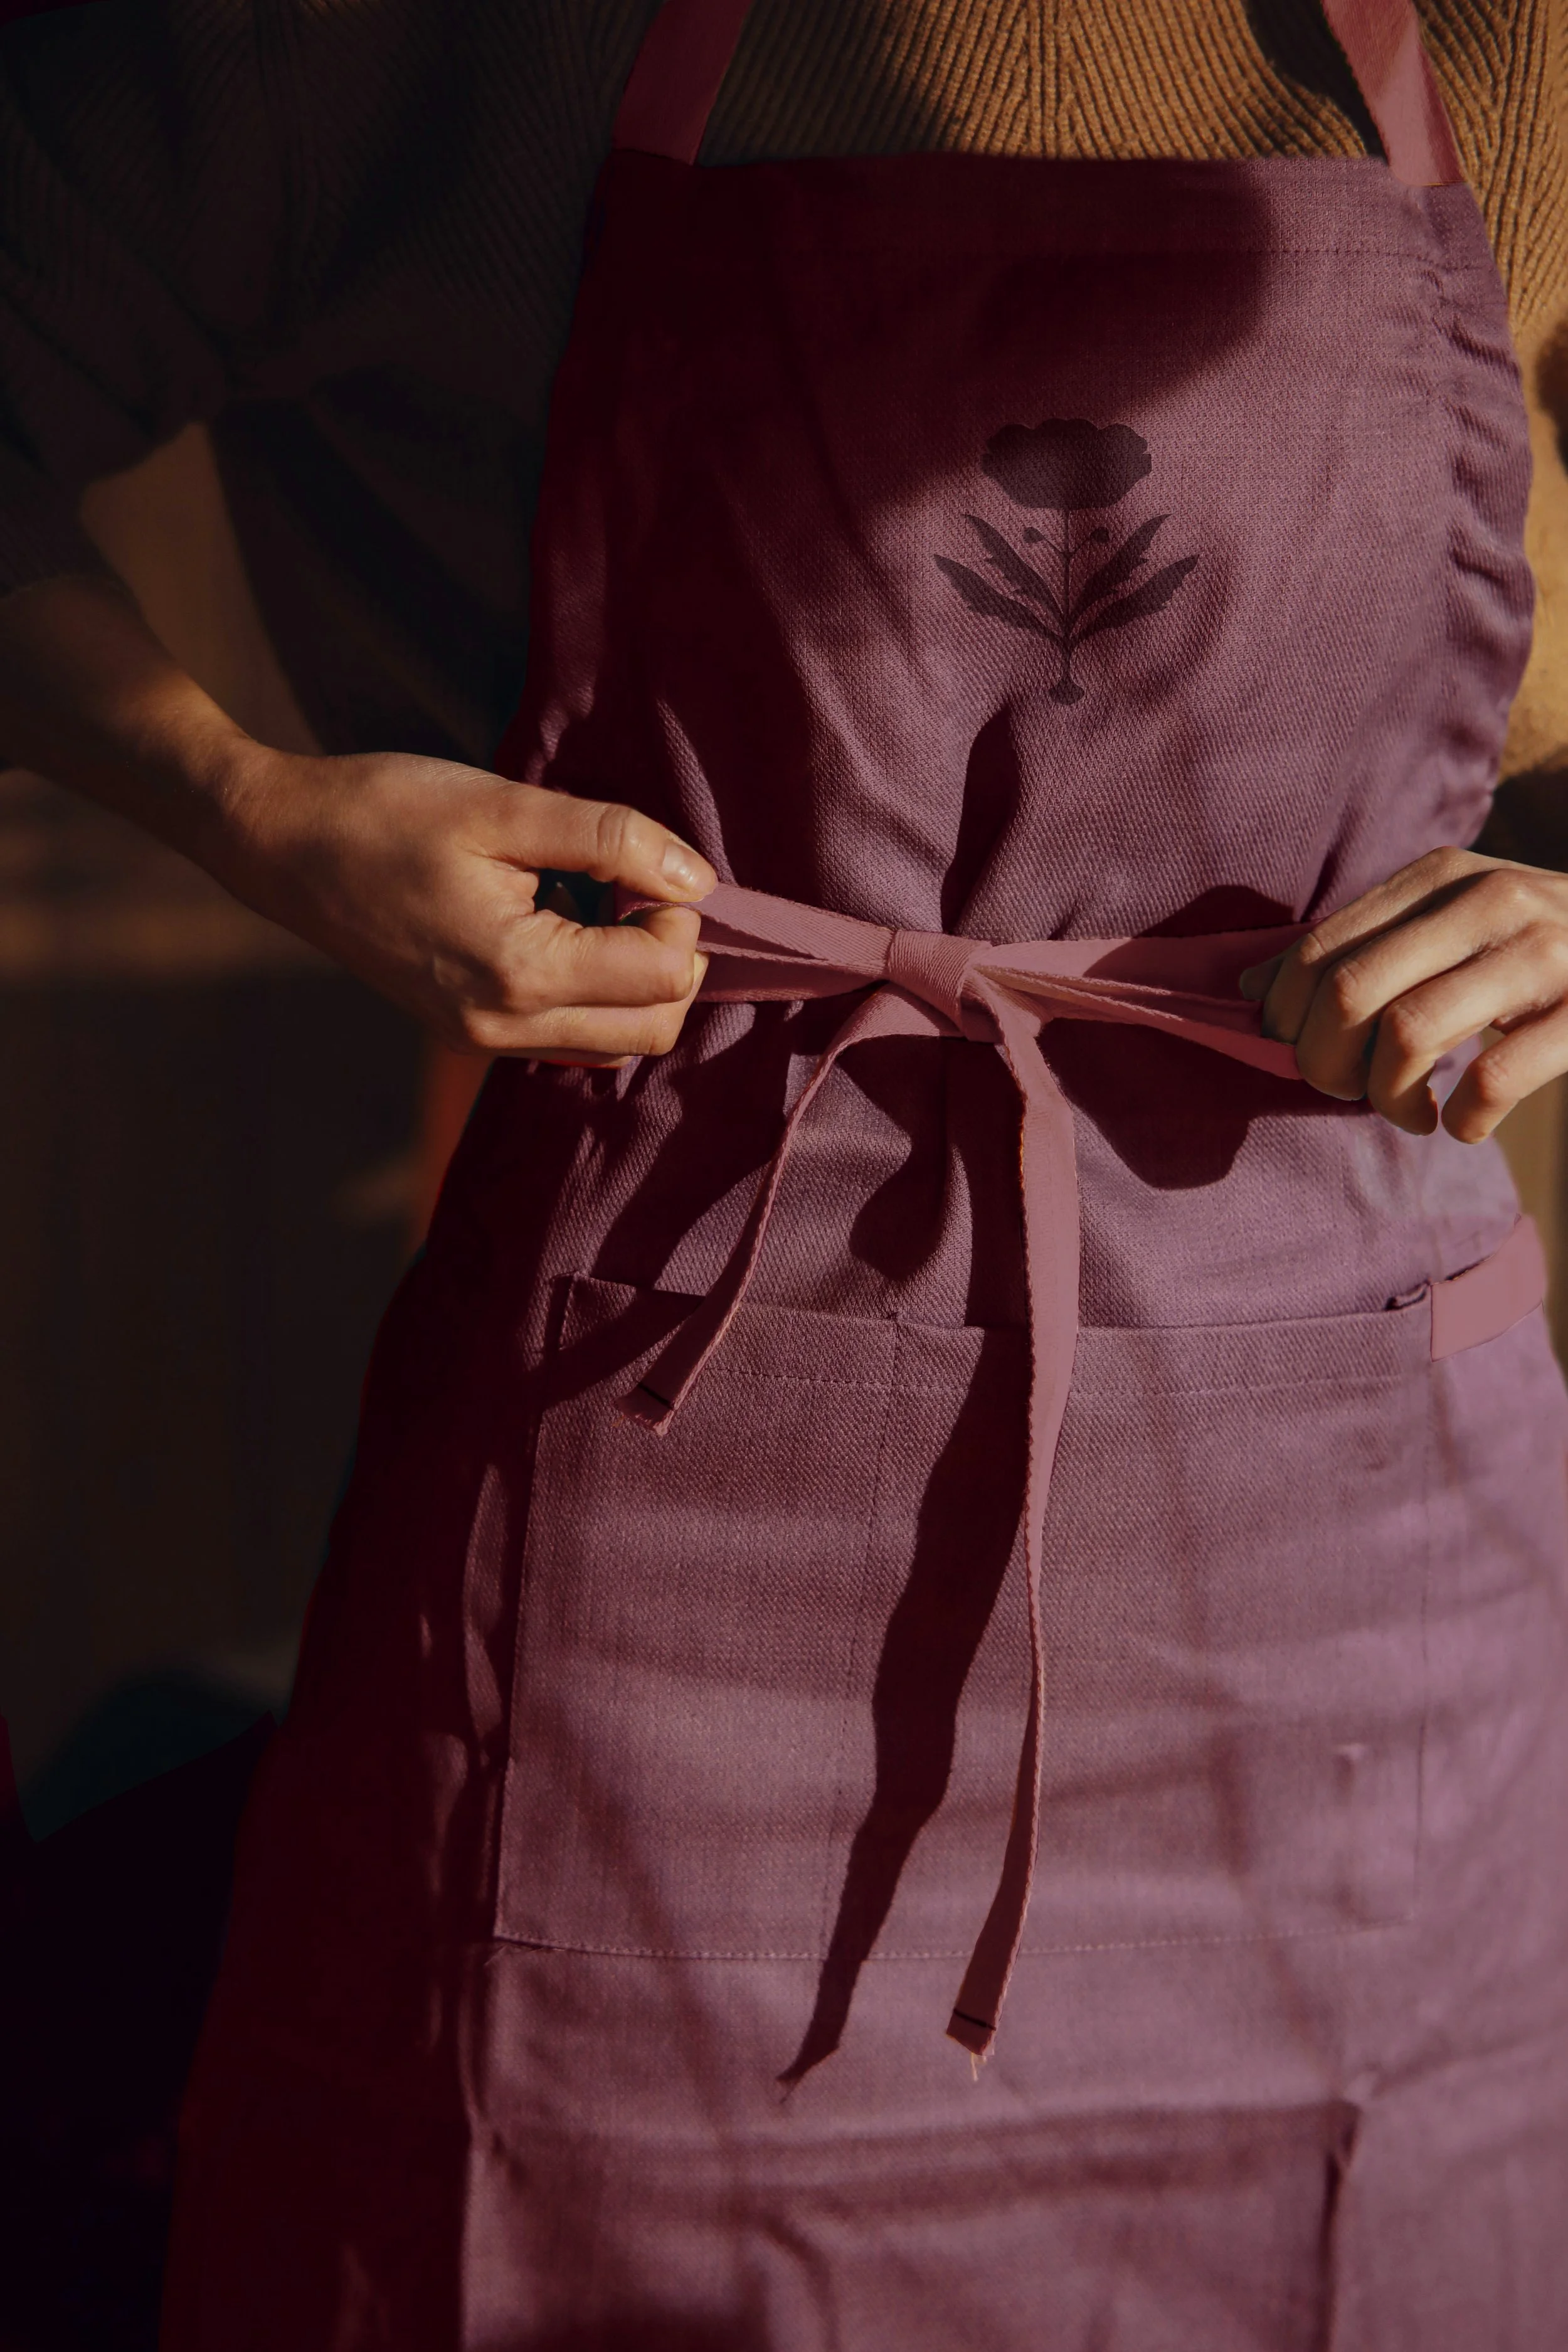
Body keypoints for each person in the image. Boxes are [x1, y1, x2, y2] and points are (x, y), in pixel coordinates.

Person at [1, 0, 1567, 2343]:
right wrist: (256, 810)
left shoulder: (1511, 45)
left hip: (1349, 1598)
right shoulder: (379, 45)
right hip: (660, 1528)